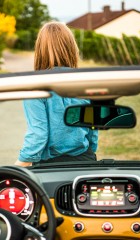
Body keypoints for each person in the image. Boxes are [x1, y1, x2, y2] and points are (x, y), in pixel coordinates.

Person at [15, 22, 98, 167]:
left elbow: (38, 135)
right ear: (72, 48)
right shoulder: (86, 83)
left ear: (40, 50)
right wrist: (90, 154)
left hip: (49, 166)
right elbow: (93, 131)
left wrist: (17, 166)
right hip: (85, 159)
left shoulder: (35, 86)